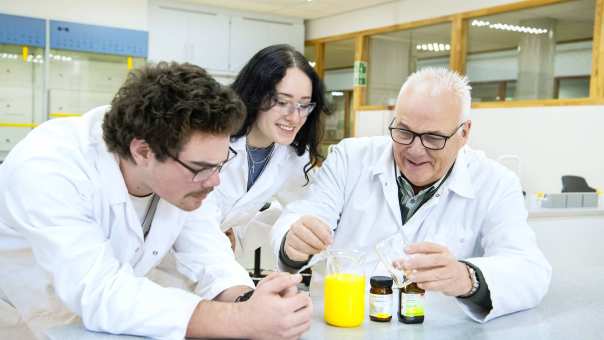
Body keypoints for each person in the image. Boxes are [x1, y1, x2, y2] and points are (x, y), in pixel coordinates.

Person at [0, 62, 311, 339]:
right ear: (143, 151)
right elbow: (98, 291)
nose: (215, 181)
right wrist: (239, 320)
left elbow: (207, 250)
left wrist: (248, 301)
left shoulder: (181, 174)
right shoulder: (49, 166)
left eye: (221, 164)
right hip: (21, 318)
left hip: (102, 321)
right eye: (202, 169)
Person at [271, 67, 552, 322]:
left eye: (433, 138)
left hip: (433, 330)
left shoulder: (496, 183)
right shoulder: (351, 158)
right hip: (341, 325)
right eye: (403, 132)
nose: (415, 150)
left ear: (464, 133)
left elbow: (530, 270)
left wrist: (468, 278)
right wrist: (293, 242)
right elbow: (305, 215)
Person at [196, 44, 327, 261]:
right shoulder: (213, 139)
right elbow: (195, 217)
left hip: (214, 262)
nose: (294, 117)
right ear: (256, 95)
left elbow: (308, 206)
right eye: (282, 102)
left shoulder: (291, 157)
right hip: (165, 263)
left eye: (303, 105)